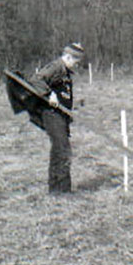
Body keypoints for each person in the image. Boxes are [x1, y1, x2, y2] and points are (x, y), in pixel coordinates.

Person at [30, 42, 86, 193]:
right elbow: (36, 80)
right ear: (68, 57)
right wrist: (49, 95)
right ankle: (61, 190)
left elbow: (62, 92)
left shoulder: (65, 71)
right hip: (52, 115)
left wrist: (72, 104)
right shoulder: (56, 67)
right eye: (76, 61)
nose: (77, 65)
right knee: (62, 149)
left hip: (62, 115)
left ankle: (57, 190)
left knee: (59, 150)